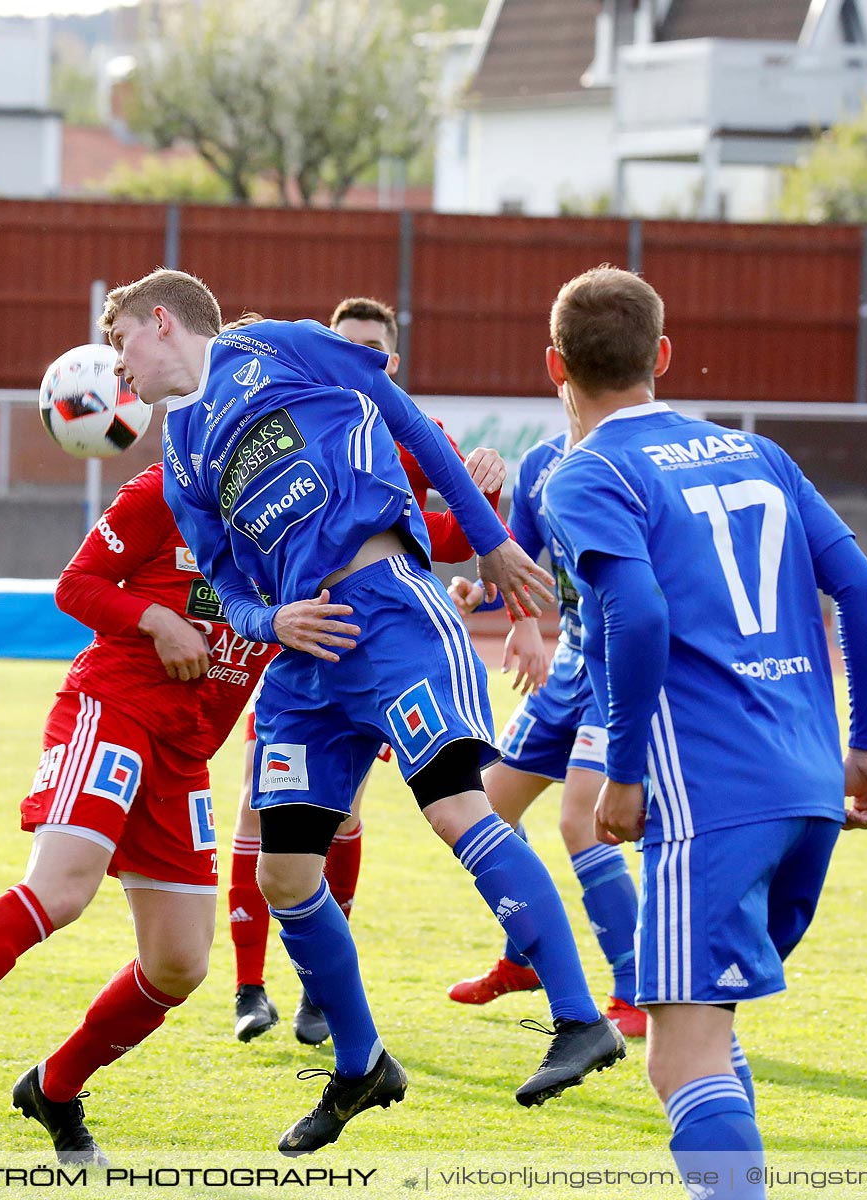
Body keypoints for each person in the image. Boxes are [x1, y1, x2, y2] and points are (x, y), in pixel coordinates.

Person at [104, 268, 624, 1155]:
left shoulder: (278, 345)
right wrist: (274, 621)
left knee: (459, 807)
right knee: (283, 876)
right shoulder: (182, 451)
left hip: (388, 612)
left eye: (118, 342)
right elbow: (224, 585)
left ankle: (582, 1018)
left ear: (162, 322)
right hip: (305, 662)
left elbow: (408, 417)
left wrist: (492, 543)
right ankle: (361, 1065)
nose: (115, 367)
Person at [538, 267, 867, 1194]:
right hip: (809, 786)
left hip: (706, 799)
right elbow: (860, 588)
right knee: (706, 1033)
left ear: (556, 367)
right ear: (661, 355)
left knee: (677, 1058)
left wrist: (622, 770)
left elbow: (642, 618)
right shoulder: (757, 453)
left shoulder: (590, 473)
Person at [0, 460, 276, 1164]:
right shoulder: (168, 488)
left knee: (179, 966)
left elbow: (415, 540)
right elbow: (76, 585)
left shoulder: (309, 515)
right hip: (116, 711)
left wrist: (482, 509)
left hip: (186, 755)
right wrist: (156, 617)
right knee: (62, 889)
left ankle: (56, 1087)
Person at [228, 296, 506, 1047]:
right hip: (298, 647)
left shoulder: (400, 424)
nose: (360, 356)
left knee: (343, 815)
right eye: (345, 343)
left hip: (375, 647)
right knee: (260, 808)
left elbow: (440, 537)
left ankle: (321, 995)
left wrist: (486, 496)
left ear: (392, 359)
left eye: (373, 347)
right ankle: (249, 988)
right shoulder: (292, 411)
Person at [441, 414, 647, 1039]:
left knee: (580, 822)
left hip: (619, 667)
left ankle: (636, 990)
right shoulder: (541, 465)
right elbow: (517, 560)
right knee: (487, 808)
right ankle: (523, 960)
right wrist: (500, 608)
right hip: (568, 669)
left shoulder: (640, 460)